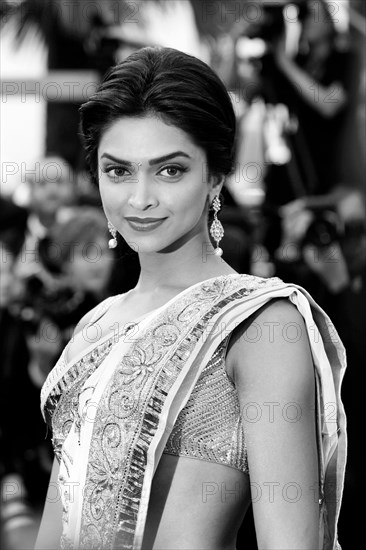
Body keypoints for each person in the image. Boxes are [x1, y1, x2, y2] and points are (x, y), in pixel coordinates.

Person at [35, 47, 346, 550]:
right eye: (118, 171)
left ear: (216, 176)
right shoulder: (92, 327)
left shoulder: (258, 324)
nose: (140, 198)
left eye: (170, 170)